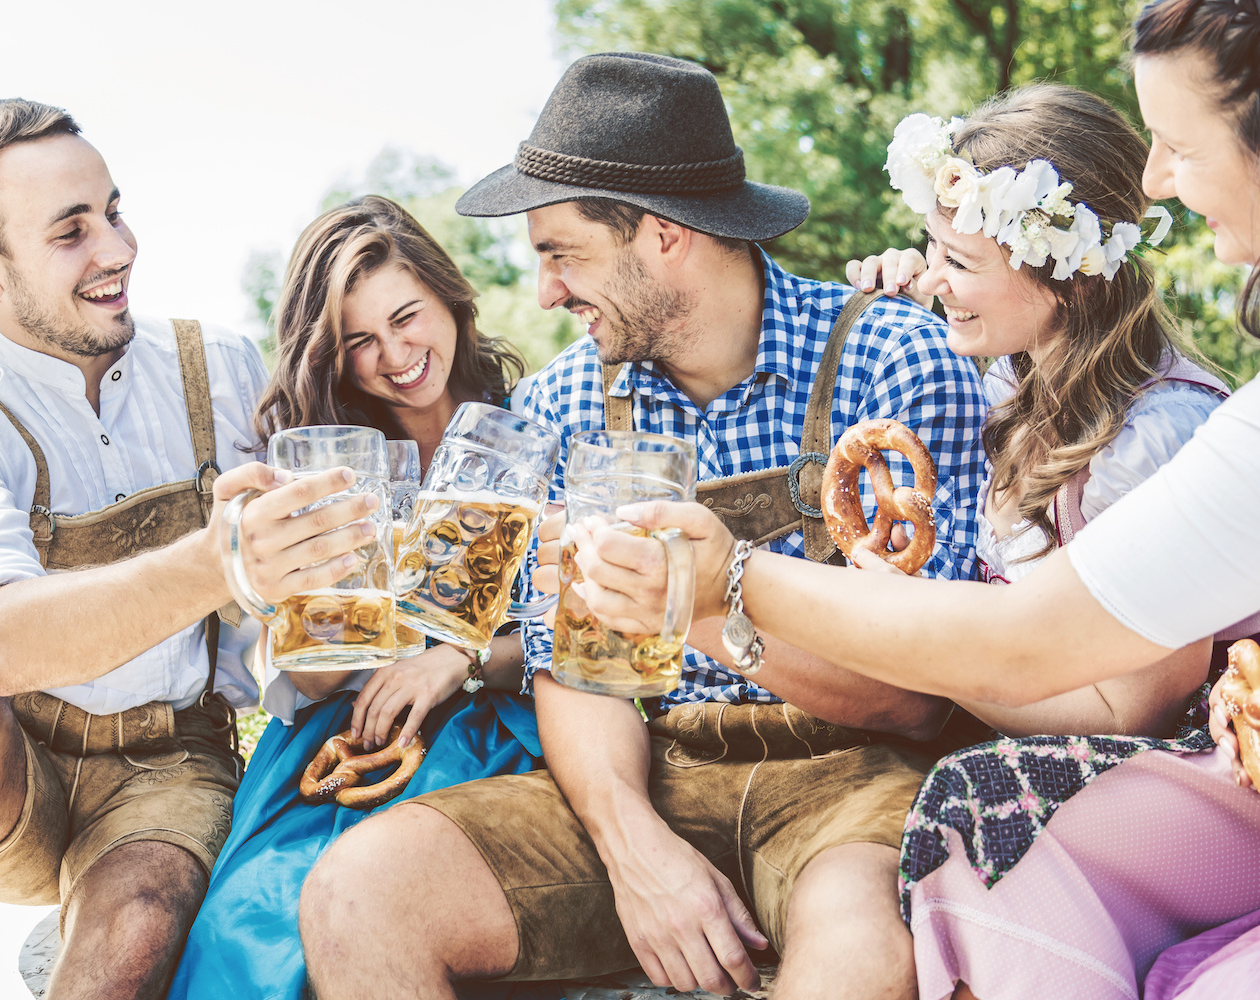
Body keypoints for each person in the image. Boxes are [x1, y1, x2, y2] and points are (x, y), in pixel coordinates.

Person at [570, 1, 1260, 997]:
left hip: (1184, 745)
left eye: (1177, 146)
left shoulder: (1163, 424)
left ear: (1066, 281)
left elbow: (1117, 694)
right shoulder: (1000, 380)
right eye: (931, 251)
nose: (1157, 181)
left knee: (970, 808)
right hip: (1094, 716)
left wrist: (752, 588)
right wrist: (932, 294)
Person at [298, 52, 990, 1000]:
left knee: (860, 958)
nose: (543, 293)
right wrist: (636, 854)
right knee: (359, 893)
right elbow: (574, 672)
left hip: (854, 781)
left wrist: (695, 605)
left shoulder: (894, 354)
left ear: (665, 237)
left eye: (561, 253)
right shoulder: (563, 402)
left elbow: (916, 694)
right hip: (648, 770)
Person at [0, 100, 368, 1000]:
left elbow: (283, 638)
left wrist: (317, 608)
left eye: (114, 210)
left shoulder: (218, 369)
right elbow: (0, 643)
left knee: (134, 940)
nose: (118, 249)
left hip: (174, 763)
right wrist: (219, 560)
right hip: (12, 768)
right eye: (71, 232)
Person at [166, 197, 548, 1000]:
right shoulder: (325, 474)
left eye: (408, 317)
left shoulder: (538, 424)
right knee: (255, 934)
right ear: (332, 359)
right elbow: (303, 684)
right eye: (360, 342)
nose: (395, 355)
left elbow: (571, 630)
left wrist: (457, 663)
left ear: (450, 298)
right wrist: (292, 595)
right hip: (343, 738)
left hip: (506, 733)